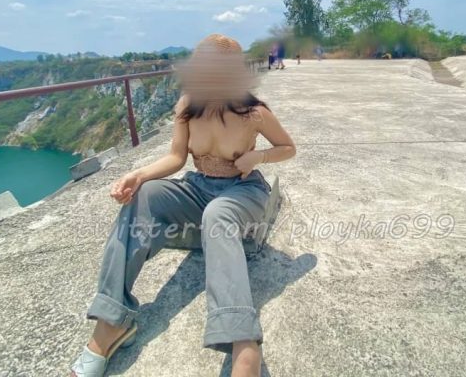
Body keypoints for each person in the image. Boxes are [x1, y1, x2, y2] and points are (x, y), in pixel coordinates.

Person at [70, 33, 297, 377]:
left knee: (218, 213)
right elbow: (177, 157)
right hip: (199, 188)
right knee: (145, 195)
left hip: (243, 191)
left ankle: (243, 342)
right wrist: (138, 175)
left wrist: (259, 156)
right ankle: (110, 323)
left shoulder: (254, 112)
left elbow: (288, 148)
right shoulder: (188, 106)